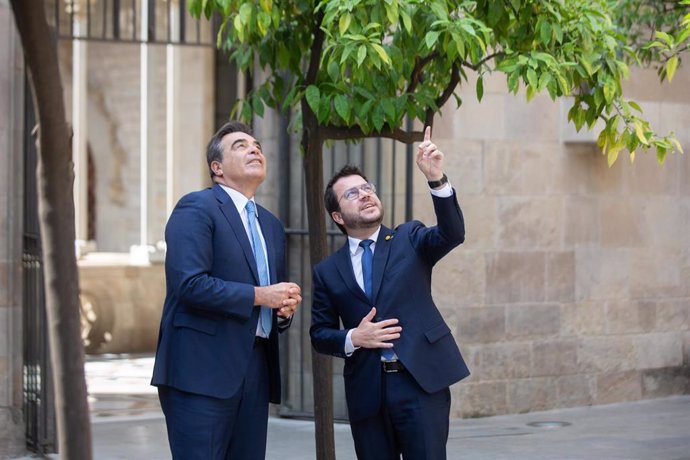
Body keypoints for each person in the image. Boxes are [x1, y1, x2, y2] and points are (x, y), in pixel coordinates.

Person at [310, 126, 470, 460]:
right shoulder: (327, 271)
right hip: (367, 391)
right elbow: (319, 334)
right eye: (352, 194)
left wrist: (436, 179)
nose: (365, 194)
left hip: (420, 383)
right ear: (338, 216)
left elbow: (453, 233)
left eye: (367, 188)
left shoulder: (409, 238)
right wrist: (355, 337)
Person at [151, 121, 302, 459]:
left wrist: (282, 311)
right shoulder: (196, 208)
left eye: (258, 146)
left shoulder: (271, 225)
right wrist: (262, 295)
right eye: (240, 145)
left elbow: (269, 296)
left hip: (256, 368)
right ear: (216, 168)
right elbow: (189, 284)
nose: (255, 149)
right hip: (200, 371)